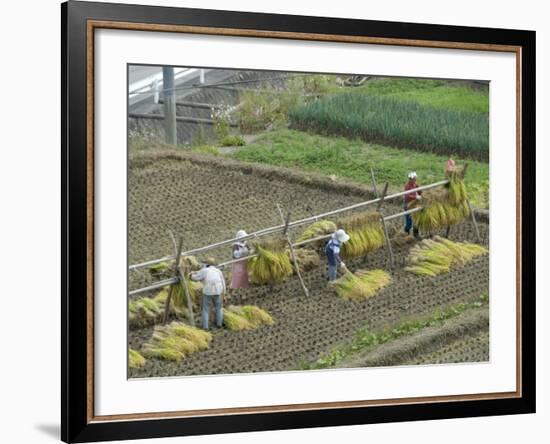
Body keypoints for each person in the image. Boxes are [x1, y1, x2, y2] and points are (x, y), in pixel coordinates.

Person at [190, 257, 226, 330]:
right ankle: (219, 324)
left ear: (207, 264)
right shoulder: (218, 271)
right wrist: (224, 294)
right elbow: (223, 283)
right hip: (218, 290)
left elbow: (196, 278)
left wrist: (190, 275)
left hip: (208, 290)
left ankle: (205, 326)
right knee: (218, 308)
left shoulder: (205, 270)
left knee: (205, 308)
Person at [230, 230, 249, 304]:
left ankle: (243, 294)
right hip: (238, 264)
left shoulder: (246, 244)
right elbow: (235, 255)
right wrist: (242, 253)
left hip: (245, 263)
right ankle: (231, 292)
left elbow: (249, 251)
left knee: (244, 279)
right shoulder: (235, 246)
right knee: (236, 279)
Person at [404, 171, 422, 238]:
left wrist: (422, 194)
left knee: (417, 219)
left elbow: (420, 192)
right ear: (410, 179)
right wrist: (416, 197)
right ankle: (406, 233)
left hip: (414, 204)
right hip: (408, 205)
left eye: (415, 178)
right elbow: (407, 195)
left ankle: (416, 234)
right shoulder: (407, 186)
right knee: (409, 222)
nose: (415, 179)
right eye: (414, 178)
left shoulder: (415, 184)